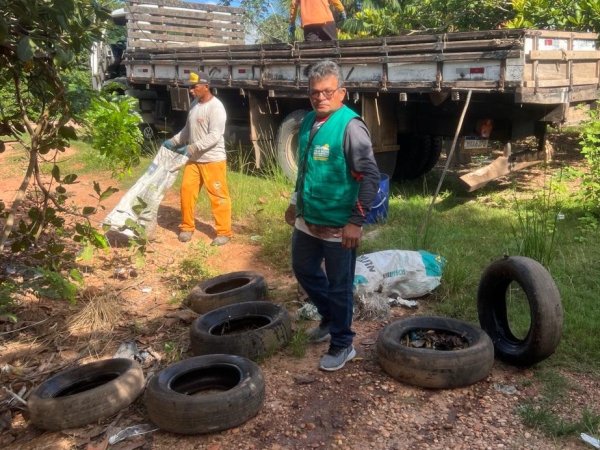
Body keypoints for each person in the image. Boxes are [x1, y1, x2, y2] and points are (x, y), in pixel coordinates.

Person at [285, 60, 380, 371]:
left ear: (342, 92)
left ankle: (342, 343)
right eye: (314, 92)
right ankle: (328, 316)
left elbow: (370, 176)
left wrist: (356, 221)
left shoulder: (351, 127)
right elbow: (306, 168)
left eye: (327, 91)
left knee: (340, 285)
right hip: (308, 217)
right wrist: (294, 202)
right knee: (303, 268)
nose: (320, 97)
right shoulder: (310, 121)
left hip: (340, 224)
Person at [162, 71, 232, 246]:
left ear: (206, 87)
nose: (191, 90)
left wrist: (193, 146)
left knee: (218, 196)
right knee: (186, 191)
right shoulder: (194, 105)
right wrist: (174, 141)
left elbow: (215, 135)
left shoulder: (216, 107)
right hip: (194, 160)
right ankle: (187, 227)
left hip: (213, 160)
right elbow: (187, 129)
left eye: (195, 87)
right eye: (190, 87)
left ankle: (224, 232)